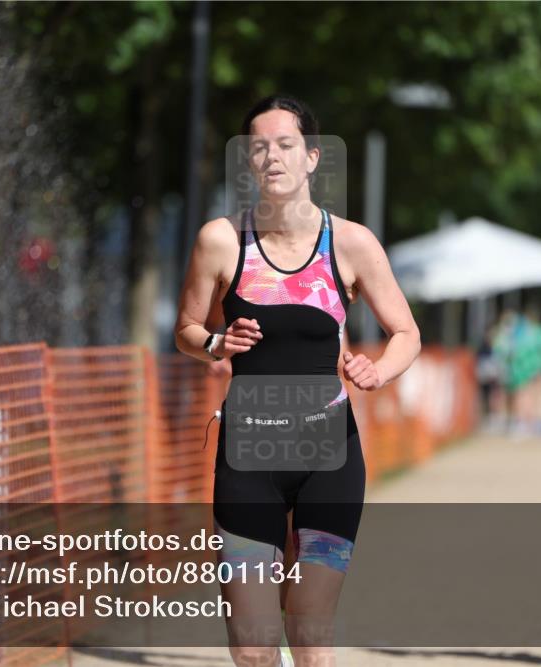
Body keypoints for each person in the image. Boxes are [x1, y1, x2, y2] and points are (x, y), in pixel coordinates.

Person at [175, 95, 421, 667]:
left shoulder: (351, 243)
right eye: (259, 147)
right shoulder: (221, 241)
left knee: (310, 635)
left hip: (327, 457)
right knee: (254, 644)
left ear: (312, 157)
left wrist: (376, 370)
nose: (272, 157)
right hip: (248, 456)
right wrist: (214, 343)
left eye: (285, 145)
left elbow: (406, 332)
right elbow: (186, 328)